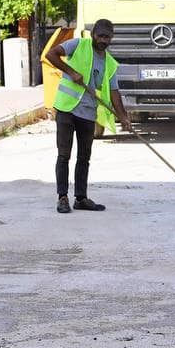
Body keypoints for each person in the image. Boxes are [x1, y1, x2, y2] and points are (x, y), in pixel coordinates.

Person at [46, 19, 132, 214]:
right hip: (66, 109)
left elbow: (114, 92)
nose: (104, 40)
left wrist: (123, 116)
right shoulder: (78, 45)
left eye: (107, 37)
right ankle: (62, 197)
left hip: (88, 113)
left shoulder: (109, 63)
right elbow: (51, 54)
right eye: (101, 36)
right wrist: (71, 71)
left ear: (112, 38)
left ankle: (81, 198)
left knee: (84, 157)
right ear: (93, 34)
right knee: (64, 155)